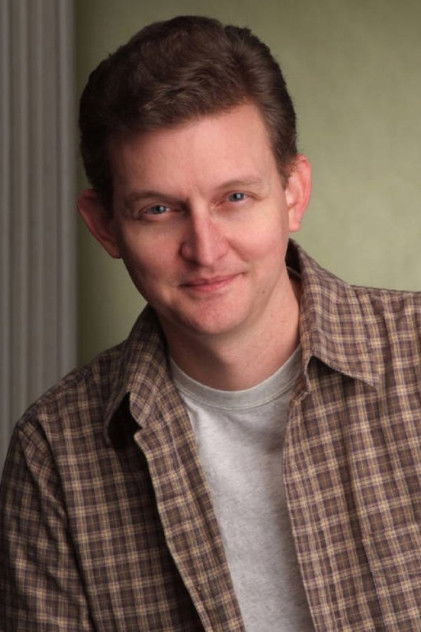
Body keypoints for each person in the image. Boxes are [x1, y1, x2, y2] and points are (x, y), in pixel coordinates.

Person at [1, 15, 421, 632]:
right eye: (158, 209)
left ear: (293, 194)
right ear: (105, 226)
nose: (205, 248)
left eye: (235, 198)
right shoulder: (55, 454)